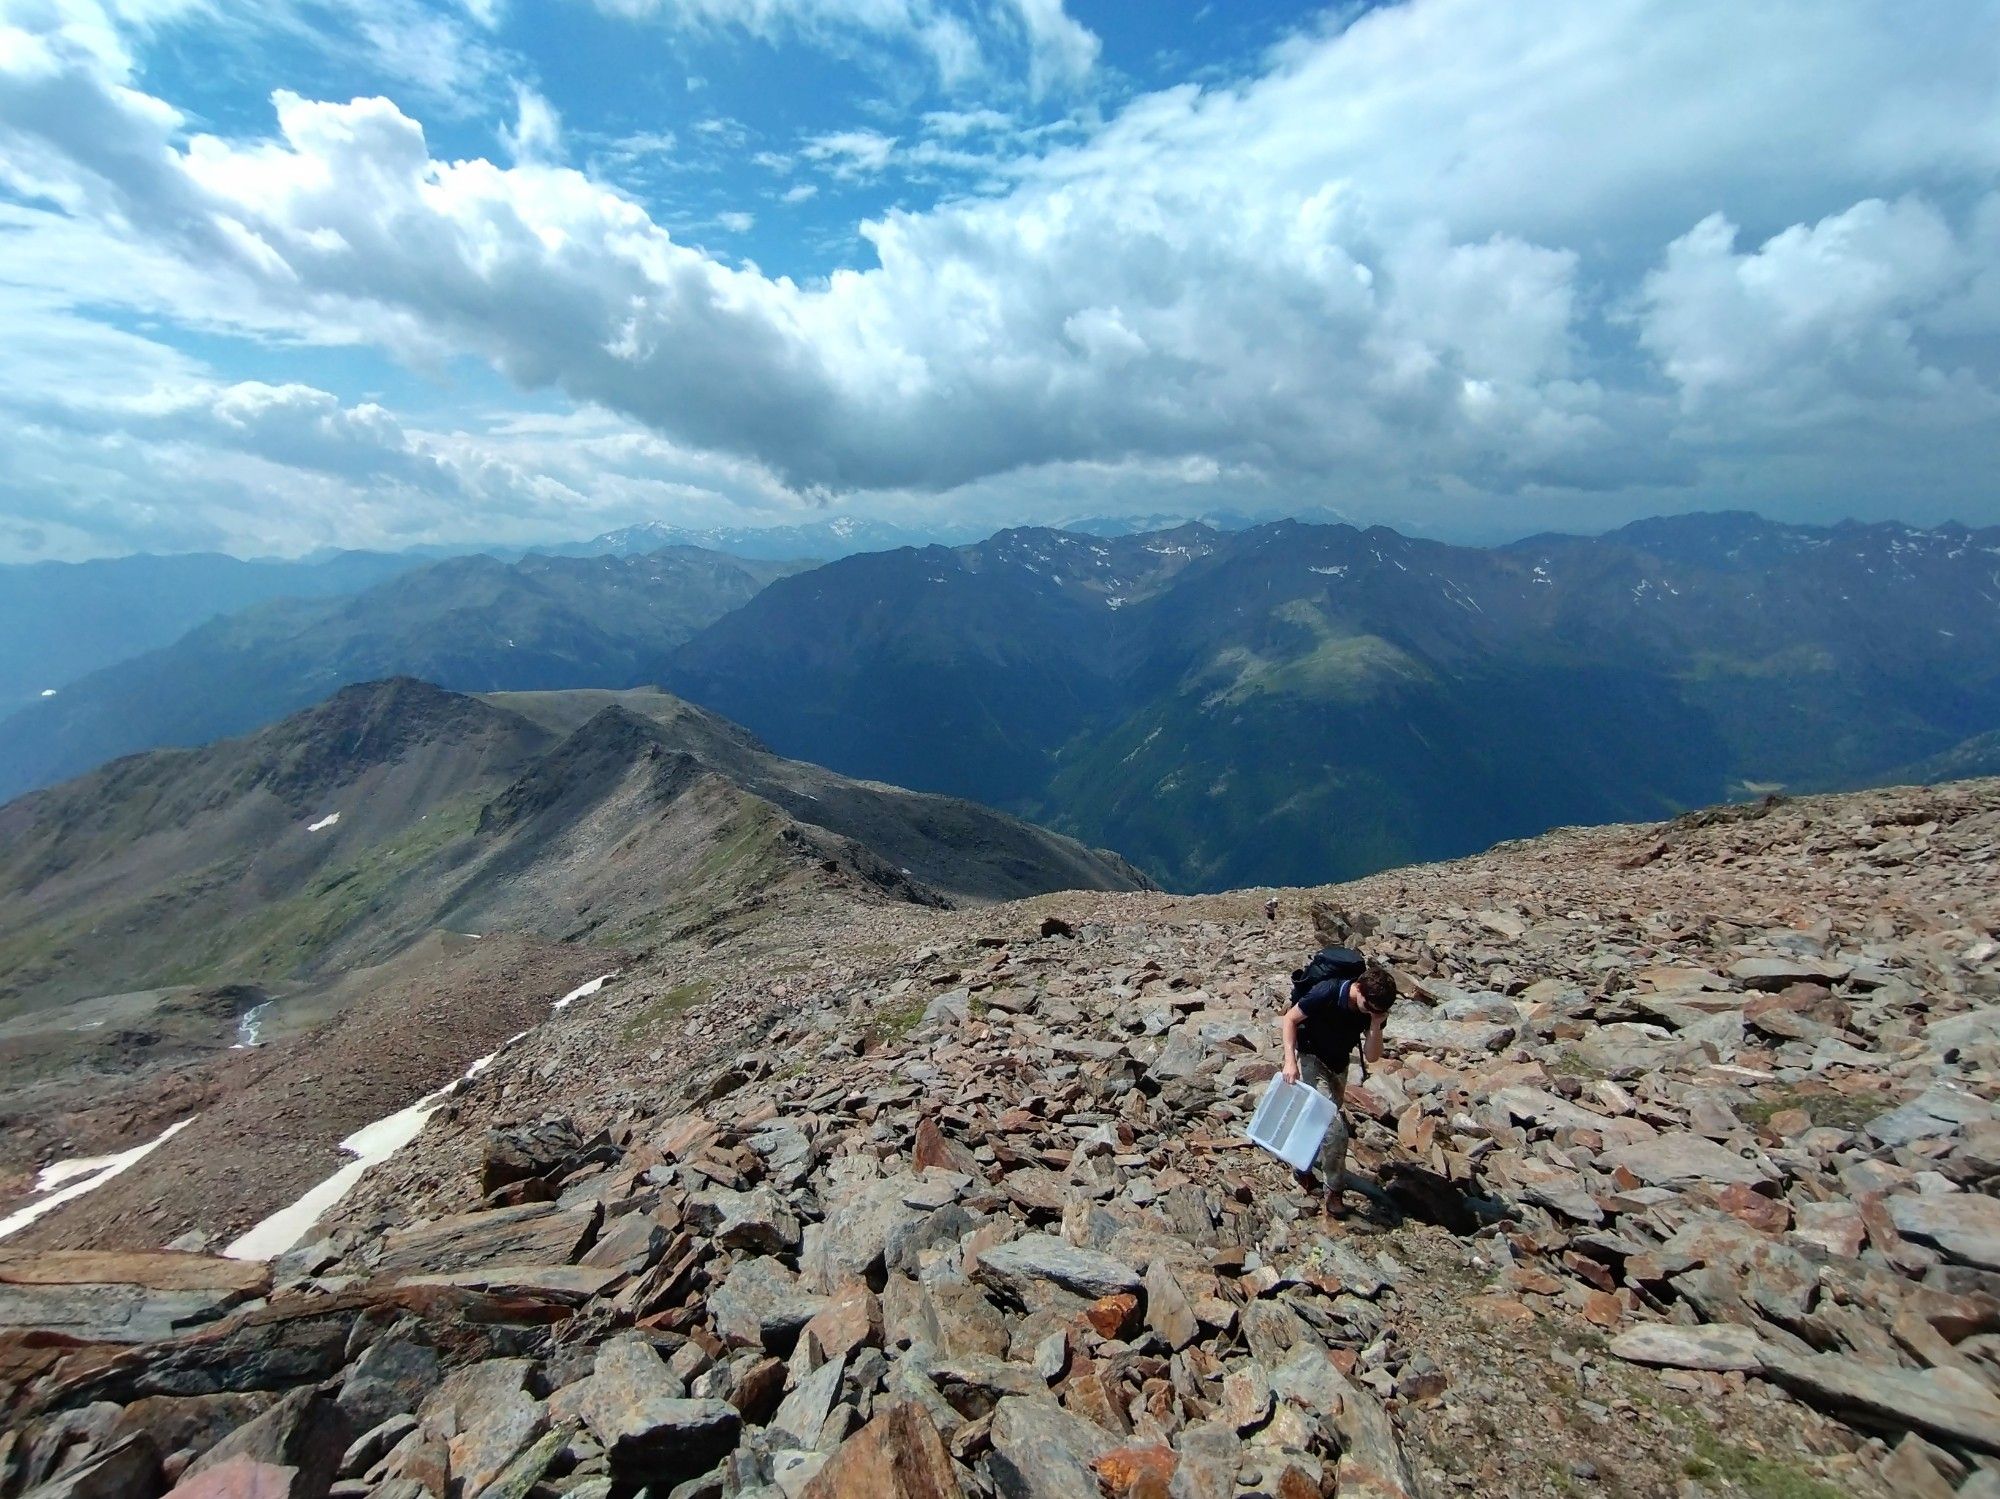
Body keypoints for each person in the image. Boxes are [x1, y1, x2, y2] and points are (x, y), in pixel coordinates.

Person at [1278, 960, 1396, 1217]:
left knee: (1317, 1122)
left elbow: (1373, 1056)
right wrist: (1290, 1060)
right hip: (1312, 1057)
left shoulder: (1373, 1010)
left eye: (1377, 1011)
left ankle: (1302, 1166)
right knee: (1336, 1127)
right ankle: (1334, 1191)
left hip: (1339, 1063)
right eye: (1369, 1007)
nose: (1370, 1012)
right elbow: (1290, 1019)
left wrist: (1375, 1024)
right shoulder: (1327, 992)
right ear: (1359, 989)